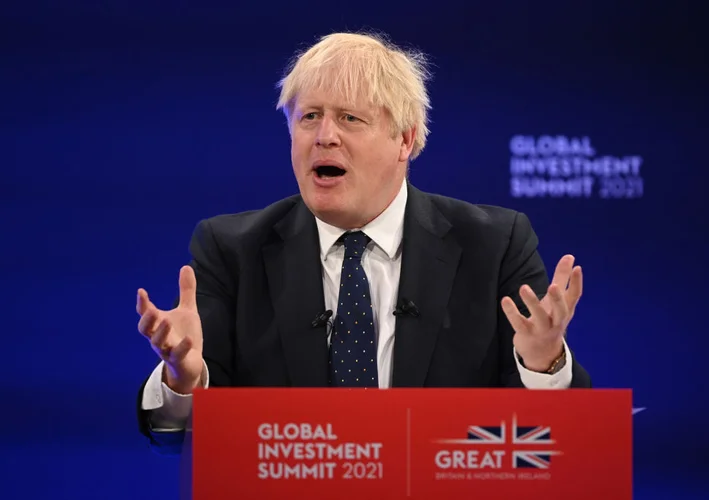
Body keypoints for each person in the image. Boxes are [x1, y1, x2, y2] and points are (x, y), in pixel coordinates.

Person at [136, 31, 591, 453]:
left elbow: (549, 447)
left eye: (350, 118)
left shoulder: (493, 245)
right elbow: (185, 443)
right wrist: (185, 381)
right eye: (309, 117)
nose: (324, 136)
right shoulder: (231, 250)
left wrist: (543, 365)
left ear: (405, 140)